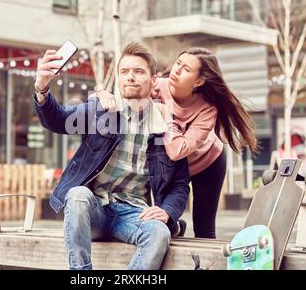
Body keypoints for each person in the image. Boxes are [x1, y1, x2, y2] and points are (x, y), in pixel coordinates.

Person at [33, 42, 190, 270]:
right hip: (94, 210)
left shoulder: (167, 127)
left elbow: (180, 184)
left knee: (159, 233)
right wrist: (42, 88)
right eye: (124, 72)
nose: (130, 77)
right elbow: (57, 119)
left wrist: (167, 212)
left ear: (153, 80)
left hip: (133, 213)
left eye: (139, 71)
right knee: (76, 194)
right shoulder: (102, 110)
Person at [97, 47, 259, 238]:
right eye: (178, 63)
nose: (176, 70)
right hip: (169, 166)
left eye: (186, 70)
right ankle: (176, 227)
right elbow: (126, 98)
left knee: (204, 230)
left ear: (198, 81)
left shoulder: (208, 109)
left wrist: (165, 113)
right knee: (155, 220)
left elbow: (177, 150)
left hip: (207, 163)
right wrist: (102, 94)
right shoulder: (157, 87)